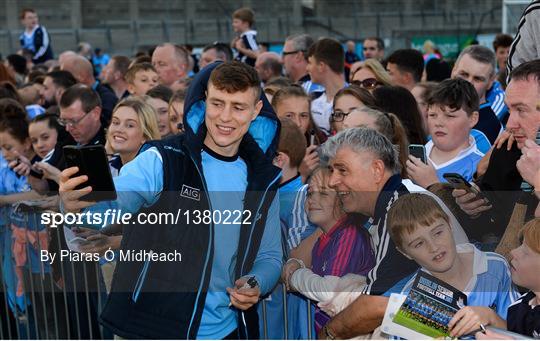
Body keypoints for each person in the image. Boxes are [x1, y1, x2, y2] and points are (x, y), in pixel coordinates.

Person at [59, 61, 282, 339]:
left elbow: (270, 256)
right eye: (217, 103)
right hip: (156, 329)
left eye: (238, 107)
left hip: (229, 329)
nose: (225, 117)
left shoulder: (262, 177)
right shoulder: (163, 158)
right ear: (203, 102)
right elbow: (115, 203)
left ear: (256, 110)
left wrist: (256, 282)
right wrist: (74, 204)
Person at [316, 128, 420, 339]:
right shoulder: (393, 202)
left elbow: (375, 305)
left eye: (342, 170)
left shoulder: (398, 211)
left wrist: (328, 333)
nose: (333, 181)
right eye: (332, 171)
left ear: (377, 170)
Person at [387, 193, 518, 338]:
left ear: (449, 224)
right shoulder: (411, 297)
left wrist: (491, 317)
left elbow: (521, 332)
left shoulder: (495, 267)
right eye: (419, 243)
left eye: (437, 233)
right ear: (405, 252)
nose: (433, 247)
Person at [286, 166, 375, 333]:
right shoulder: (324, 238)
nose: (312, 199)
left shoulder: (348, 235)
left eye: (324, 193)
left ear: (344, 199)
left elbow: (328, 291)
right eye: (310, 193)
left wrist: (296, 276)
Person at [407, 79, 484, 189]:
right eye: (432, 115)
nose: (438, 123)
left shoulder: (478, 168)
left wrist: (433, 185)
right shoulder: (417, 153)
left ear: (472, 119)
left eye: (450, 116)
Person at [451, 45, 504, 142]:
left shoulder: (489, 128)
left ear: (490, 82)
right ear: (454, 70)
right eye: (464, 74)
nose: (469, 83)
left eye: (477, 79)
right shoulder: (438, 106)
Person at [61, 55, 118, 124]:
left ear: (81, 76)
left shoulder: (107, 99)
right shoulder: (70, 97)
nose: (63, 81)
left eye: (67, 76)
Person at [307, 38, 347, 135]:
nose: (307, 68)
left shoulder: (356, 100)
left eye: (310, 63)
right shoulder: (312, 100)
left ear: (321, 66)